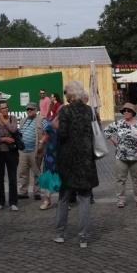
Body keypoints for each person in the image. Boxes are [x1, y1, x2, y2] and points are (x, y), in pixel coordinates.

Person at [54, 81, 98, 248]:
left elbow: (63, 134)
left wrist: (56, 127)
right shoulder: (89, 111)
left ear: (70, 95)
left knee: (64, 197)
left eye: (66, 93)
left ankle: (60, 234)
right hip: (86, 160)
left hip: (68, 161)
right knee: (84, 199)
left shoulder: (65, 110)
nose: (65, 96)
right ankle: (83, 238)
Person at [104, 103, 137, 208]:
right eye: (124, 110)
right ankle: (120, 200)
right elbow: (106, 131)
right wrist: (113, 140)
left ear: (133, 113)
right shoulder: (118, 123)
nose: (126, 112)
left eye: (128, 110)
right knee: (120, 179)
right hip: (121, 157)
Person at [0, 100, 21, 211]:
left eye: (6, 107)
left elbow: (14, 130)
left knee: (12, 177)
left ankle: (13, 202)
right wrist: (4, 139)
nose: (5, 109)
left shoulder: (12, 118)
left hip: (11, 152)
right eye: (2, 108)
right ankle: (0, 202)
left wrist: (4, 122)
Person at [17, 101, 43, 200]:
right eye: (28, 109)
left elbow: (47, 132)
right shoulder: (23, 120)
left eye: (31, 109)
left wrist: (41, 144)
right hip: (23, 151)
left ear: (36, 110)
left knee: (37, 172)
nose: (29, 111)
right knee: (22, 173)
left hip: (35, 151)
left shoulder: (41, 119)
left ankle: (37, 192)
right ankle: (23, 192)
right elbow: (20, 133)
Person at [38, 111, 60, 209]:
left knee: (61, 178)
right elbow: (46, 136)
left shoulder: (67, 124)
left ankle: (62, 201)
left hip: (62, 155)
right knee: (48, 177)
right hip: (50, 155)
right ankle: (47, 200)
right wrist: (41, 143)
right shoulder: (51, 124)